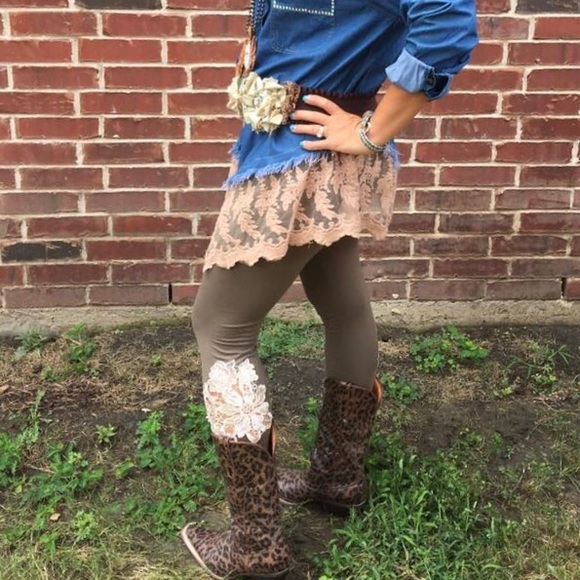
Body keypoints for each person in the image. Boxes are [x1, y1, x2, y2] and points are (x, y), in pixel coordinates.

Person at [181, 1, 478, 578]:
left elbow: (446, 22)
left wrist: (370, 131)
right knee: (341, 304)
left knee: (220, 325)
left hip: (303, 162)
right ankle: (337, 479)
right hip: (310, 152)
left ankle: (255, 545)